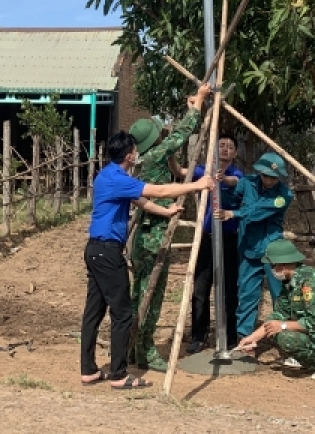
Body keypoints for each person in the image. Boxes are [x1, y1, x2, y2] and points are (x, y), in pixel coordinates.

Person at [80, 127, 215, 390]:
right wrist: (198, 184)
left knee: (93, 312)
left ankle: (88, 370)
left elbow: (143, 202)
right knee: (122, 314)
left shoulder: (107, 175)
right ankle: (119, 375)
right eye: (135, 151)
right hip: (107, 253)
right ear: (130, 156)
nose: (137, 154)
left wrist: (167, 213)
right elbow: (159, 190)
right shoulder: (120, 178)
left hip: (95, 250)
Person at [127, 81, 212, 370]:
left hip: (141, 235)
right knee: (151, 293)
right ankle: (146, 350)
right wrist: (199, 102)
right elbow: (180, 135)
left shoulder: (147, 159)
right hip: (153, 236)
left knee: (138, 294)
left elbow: (175, 165)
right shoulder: (154, 155)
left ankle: (131, 347)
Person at [235, 239, 315, 380]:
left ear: (283, 265)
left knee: (286, 337)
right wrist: (252, 338)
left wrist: (282, 325)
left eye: (272, 265)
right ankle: (308, 359)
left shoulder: (310, 281)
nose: (270, 269)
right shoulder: (289, 282)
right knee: (277, 332)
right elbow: (279, 314)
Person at [169, 132, 242, 353]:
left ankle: (229, 337)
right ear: (213, 149)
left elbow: (235, 182)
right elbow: (181, 172)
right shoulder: (202, 172)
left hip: (230, 239)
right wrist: (170, 157)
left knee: (230, 289)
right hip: (207, 238)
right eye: (221, 145)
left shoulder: (236, 173)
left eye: (230, 146)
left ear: (235, 153)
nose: (225, 149)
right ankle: (199, 336)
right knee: (201, 287)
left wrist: (223, 179)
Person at [215, 151, 293, 340]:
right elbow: (232, 199)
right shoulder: (247, 183)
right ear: (260, 172)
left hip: (273, 251)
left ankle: (285, 338)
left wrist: (233, 214)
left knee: (280, 296)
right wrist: (220, 184)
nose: (269, 181)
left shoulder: (284, 195)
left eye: (274, 178)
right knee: (247, 294)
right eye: (266, 176)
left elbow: (258, 211)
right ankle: (246, 339)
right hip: (249, 248)